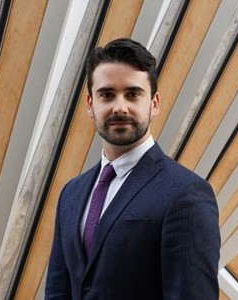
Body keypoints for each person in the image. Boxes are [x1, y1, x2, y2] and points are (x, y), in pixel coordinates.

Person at [45, 38, 220, 300]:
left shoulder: (185, 194)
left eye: (133, 94)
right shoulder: (72, 193)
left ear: (154, 103)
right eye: (107, 94)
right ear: (91, 104)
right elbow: (58, 291)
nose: (119, 107)